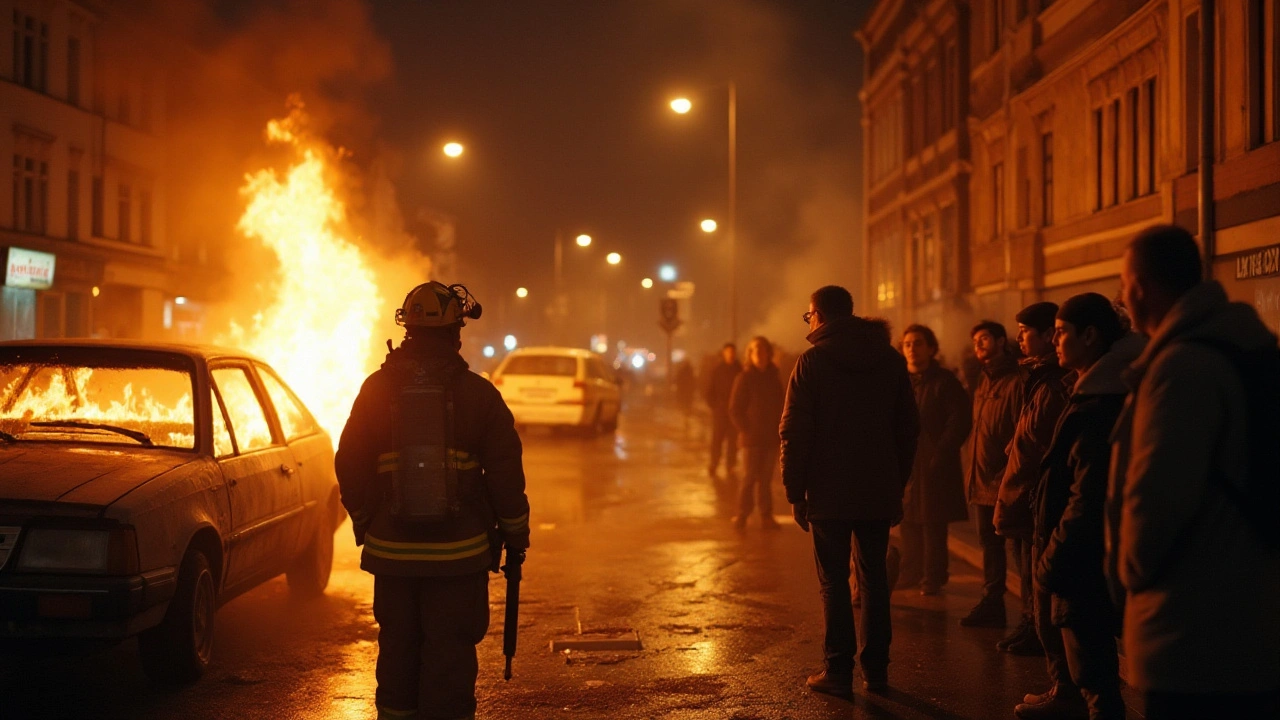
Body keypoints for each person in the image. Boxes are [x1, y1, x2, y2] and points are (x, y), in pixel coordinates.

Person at [335, 282, 531, 720]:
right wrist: (515, 533)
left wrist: (368, 520)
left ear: (407, 331)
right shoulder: (480, 395)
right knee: (449, 656)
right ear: (455, 333)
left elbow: (349, 461)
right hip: (458, 560)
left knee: (398, 651)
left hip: (392, 557)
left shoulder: (375, 390)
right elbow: (505, 474)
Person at [1111, 225, 1280, 719]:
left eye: (1124, 285)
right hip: (1254, 606)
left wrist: (1129, 575)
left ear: (1140, 286)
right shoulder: (1250, 345)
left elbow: (1155, 501)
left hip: (1191, 623)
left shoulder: (1181, 367)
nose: (1123, 297)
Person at [780, 286, 919, 697]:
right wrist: (898, 484)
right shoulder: (890, 360)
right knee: (874, 579)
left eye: (808, 316)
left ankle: (837, 670)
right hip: (878, 489)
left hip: (827, 492)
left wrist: (795, 491)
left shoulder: (813, 362)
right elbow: (907, 428)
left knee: (834, 582)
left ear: (819, 315)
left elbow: (794, 430)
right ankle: (877, 672)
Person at [1015, 294, 1138, 720]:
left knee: (1097, 681)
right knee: (1089, 672)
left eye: (1063, 332)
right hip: (1077, 553)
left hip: (1082, 558)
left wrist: (1052, 557)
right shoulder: (1089, 390)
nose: (1056, 340)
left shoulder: (1101, 402)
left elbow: (1088, 496)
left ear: (1090, 336)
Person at [995, 302, 1071, 656]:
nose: (1019, 339)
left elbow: (1046, 445)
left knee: (1038, 576)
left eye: (1025, 332)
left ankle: (1057, 673)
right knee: (1026, 569)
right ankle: (1029, 624)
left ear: (1047, 335)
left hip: (1035, 494)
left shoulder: (1054, 384)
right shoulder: (1036, 377)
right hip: (1024, 492)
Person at [898, 324, 971, 596]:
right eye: (907, 344)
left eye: (918, 343)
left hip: (933, 463)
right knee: (908, 521)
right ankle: (910, 571)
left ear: (930, 348)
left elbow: (959, 420)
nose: (912, 349)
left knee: (932, 522)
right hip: (906, 463)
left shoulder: (944, 382)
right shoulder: (900, 382)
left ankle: (933, 576)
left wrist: (941, 452)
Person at [961, 320, 1025, 628]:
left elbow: (1018, 434)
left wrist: (1007, 472)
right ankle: (992, 601)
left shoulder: (1016, 381)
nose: (978, 345)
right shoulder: (984, 380)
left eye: (984, 338)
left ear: (1001, 341)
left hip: (1003, 480)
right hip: (981, 478)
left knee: (1017, 547)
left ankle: (1030, 615)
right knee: (989, 544)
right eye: (975, 341)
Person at [729, 336, 786, 530]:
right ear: (750, 355)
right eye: (756, 351)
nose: (760, 355)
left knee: (766, 480)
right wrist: (747, 430)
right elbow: (735, 409)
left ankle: (766, 516)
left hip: (770, 438)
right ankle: (742, 514)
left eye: (763, 351)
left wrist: (780, 430)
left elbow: (782, 406)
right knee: (750, 478)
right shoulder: (745, 378)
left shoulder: (773, 378)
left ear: (768, 354)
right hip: (752, 440)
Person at [704, 342, 741, 479]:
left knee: (733, 441)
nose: (731, 354)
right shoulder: (717, 370)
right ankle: (714, 464)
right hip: (720, 412)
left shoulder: (740, 369)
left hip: (735, 413)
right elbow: (709, 391)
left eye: (733, 352)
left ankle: (730, 466)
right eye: (728, 352)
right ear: (724, 353)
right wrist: (715, 406)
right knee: (717, 440)